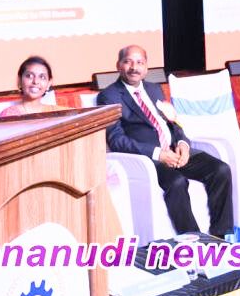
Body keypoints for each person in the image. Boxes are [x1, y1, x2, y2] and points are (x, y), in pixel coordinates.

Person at [97, 45, 233, 238]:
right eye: (128, 62)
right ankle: (193, 240)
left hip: (174, 150)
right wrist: (158, 154)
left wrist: (183, 144)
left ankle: (220, 235)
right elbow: (117, 139)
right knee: (177, 182)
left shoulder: (154, 89)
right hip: (147, 158)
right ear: (118, 65)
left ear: (146, 67)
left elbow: (173, 122)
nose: (134, 67)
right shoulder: (109, 96)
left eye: (140, 62)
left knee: (221, 170)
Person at [0, 56, 67, 117]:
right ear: (19, 80)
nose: (35, 81)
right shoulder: (9, 115)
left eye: (42, 77)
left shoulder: (58, 113)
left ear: (49, 83)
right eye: (29, 76)